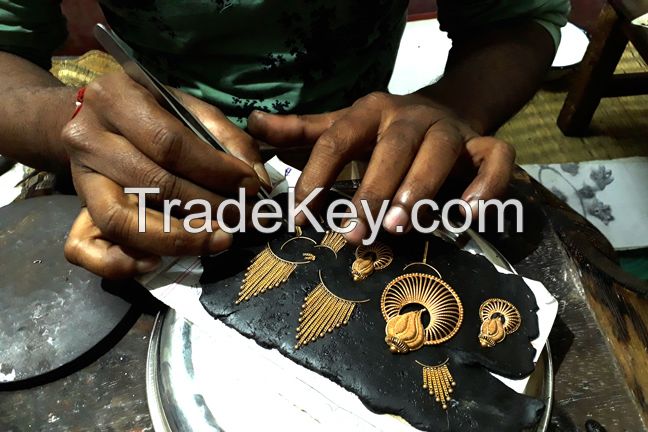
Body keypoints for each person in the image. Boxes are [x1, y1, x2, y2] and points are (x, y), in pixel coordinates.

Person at [0, 0, 569, 279]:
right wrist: (70, 121)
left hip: (374, 152)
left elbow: (518, 16)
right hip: (151, 158)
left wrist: (452, 109)